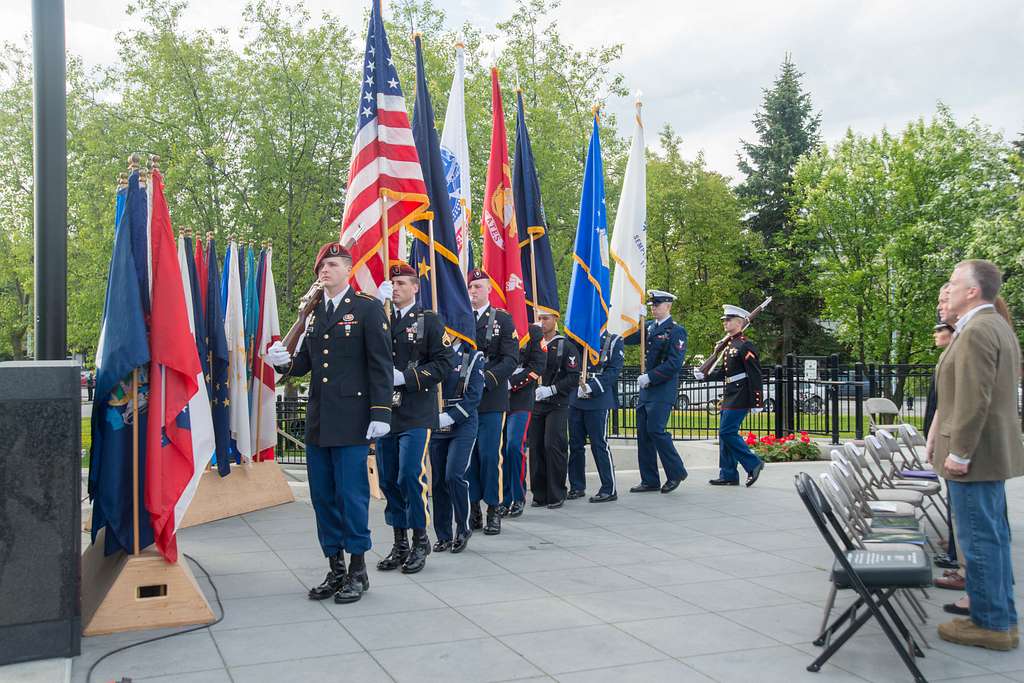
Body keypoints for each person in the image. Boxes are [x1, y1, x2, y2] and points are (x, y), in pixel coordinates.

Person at [265, 242, 392, 605]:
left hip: (353, 422)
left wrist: (381, 412)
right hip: (320, 422)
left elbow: (380, 364)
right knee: (322, 498)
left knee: (351, 497)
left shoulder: (366, 309)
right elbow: (303, 364)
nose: (325, 270)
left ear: (348, 269)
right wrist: (280, 361)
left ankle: (357, 569)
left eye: (333, 264)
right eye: (322, 265)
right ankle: (334, 567)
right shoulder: (316, 312)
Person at [930, 259, 1024, 651]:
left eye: (953, 283)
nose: (947, 290)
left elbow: (974, 399)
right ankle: (1002, 616)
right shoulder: (992, 326)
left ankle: (991, 625)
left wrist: (961, 454)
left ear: (973, 291)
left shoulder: (977, 330)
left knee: (980, 540)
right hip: (987, 455)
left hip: (975, 457)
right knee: (993, 536)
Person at [373, 262, 454, 575]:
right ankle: (400, 542)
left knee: (410, 475)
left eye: (402, 283)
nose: (395, 288)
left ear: (416, 287)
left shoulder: (428, 320)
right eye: (392, 283)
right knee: (388, 479)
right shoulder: (381, 318)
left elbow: (444, 364)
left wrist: (406, 377)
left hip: (417, 411)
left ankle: (421, 539)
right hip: (385, 412)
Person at [466, 268, 519, 535]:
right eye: (470, 287)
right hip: (465, 401)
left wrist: (485, 379)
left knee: (489, 456)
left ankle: (493, 509)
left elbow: (510, 359)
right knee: (469, 458)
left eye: (478, 286)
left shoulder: (503, 320)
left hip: (491, 398)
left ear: (489, 289)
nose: (473, 291)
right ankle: (473, 508)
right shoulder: (460, 319)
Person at [625, 290, 688, 494]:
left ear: (668, 306)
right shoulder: (649, 327)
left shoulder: (676, 331)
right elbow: (627, 338)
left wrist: (650, 377)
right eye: (652, 305)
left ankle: (676, 472)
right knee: (643, 434)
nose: (653, 308)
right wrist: (631, 319)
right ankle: (649, 480)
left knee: (656, 430)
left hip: (662, 389)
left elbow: (674, 363)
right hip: (647, 391)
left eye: (657, 305)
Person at [695, 305, 765, 487]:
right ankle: (728, 474)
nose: (725, 323)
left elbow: (755, 374)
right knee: (724, 435)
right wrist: (706, 375)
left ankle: (753, 463)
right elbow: (726, 373)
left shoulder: (745, 345)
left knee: (727, 432)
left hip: (741, 396)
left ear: (740, 322)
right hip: (729, 395)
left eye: (729, 319)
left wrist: (758, 401)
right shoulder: (729, 345)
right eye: (724, 320)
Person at [430, 337, 485, 554]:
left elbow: (473, 396)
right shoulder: (432, 354)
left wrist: (451, 417)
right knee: (438, 482)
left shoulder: (473, 356)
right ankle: (443, 534)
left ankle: (463, 527)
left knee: (453, 475)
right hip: (437, 421)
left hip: (462, 422)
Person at [527, 310, 581, 508]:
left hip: (557, 403)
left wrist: (552, 389)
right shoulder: (534, 345)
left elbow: (573, 377)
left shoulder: (565, 346)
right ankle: (539, 494)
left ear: (555, 319)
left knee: (553, 445)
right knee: (536, 448)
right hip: (537, 404)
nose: (542, 322)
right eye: (539, 318)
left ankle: (557, 493)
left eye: (546, 318)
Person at [568, 330, 625, 502]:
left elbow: (614, 371)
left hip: (598, 398)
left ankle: (609, 488)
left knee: (599, 444)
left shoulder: (614, 341)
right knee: (575, 444)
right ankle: (577, 486)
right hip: (577, 397)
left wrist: (592, 386)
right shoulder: (576, 335)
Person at [502, 322, 546, 517]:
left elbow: (538, 366)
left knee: (514, 447)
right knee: (499, 451)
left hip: (520, 399)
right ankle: (504, 498)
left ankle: (518, 496)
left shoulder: (533, 331)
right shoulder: (498, 324)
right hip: (496, 398)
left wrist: (511, 382)